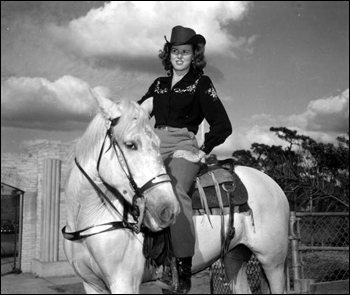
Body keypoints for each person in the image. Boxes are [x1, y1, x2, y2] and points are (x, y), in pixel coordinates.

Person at [138, 25, 232, 294]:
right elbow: (141, 112)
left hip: (183, 144)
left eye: (186, 52)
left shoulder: (201, 83)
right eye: (175, 51)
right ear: (168, 55)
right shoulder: (158, 84)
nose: (179, 56)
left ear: (194, 56)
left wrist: (199, 152)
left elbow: (222, 125)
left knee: (175, 192)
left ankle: (182, 270)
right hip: (154, 144)